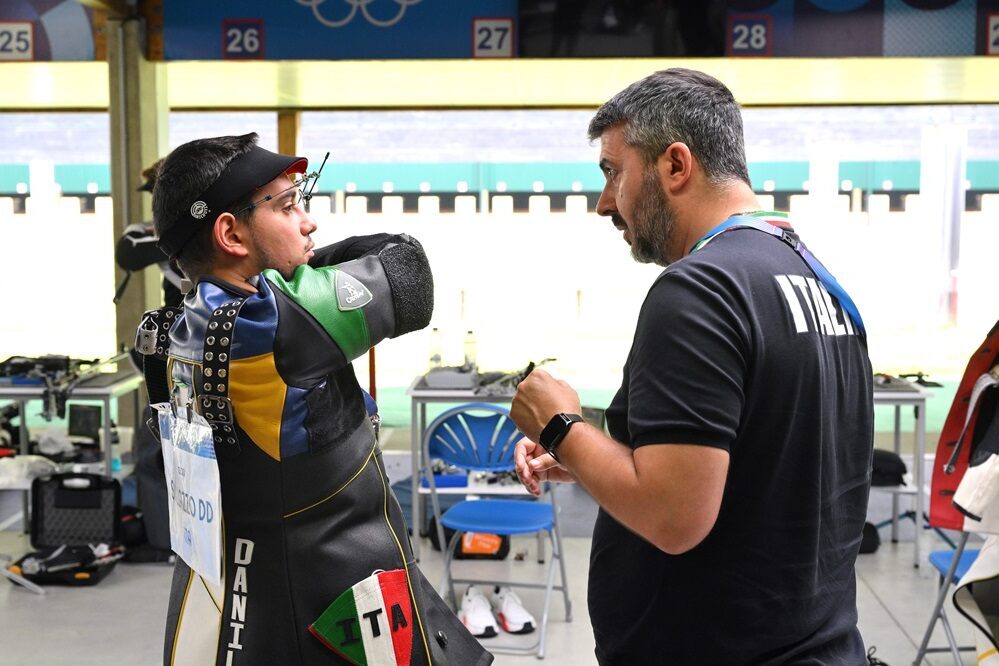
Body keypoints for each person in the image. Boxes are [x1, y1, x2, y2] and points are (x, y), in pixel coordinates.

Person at [510, 69, 874, 664]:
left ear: (675, 166)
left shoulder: (700, 289)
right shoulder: (817, 281)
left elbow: (674, 516)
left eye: (612, 172)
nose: (605, 203)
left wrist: (558, 423)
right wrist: (588, 455)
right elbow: (762, 463)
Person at [145, 133, 491, 665]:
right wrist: (303, 265)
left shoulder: (180, 323)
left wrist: (288, 259)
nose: (308, 222)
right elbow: (407, 271)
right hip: (338, 605)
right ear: (230, 235)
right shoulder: (271, 321)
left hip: (240, 596)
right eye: (286, 207)